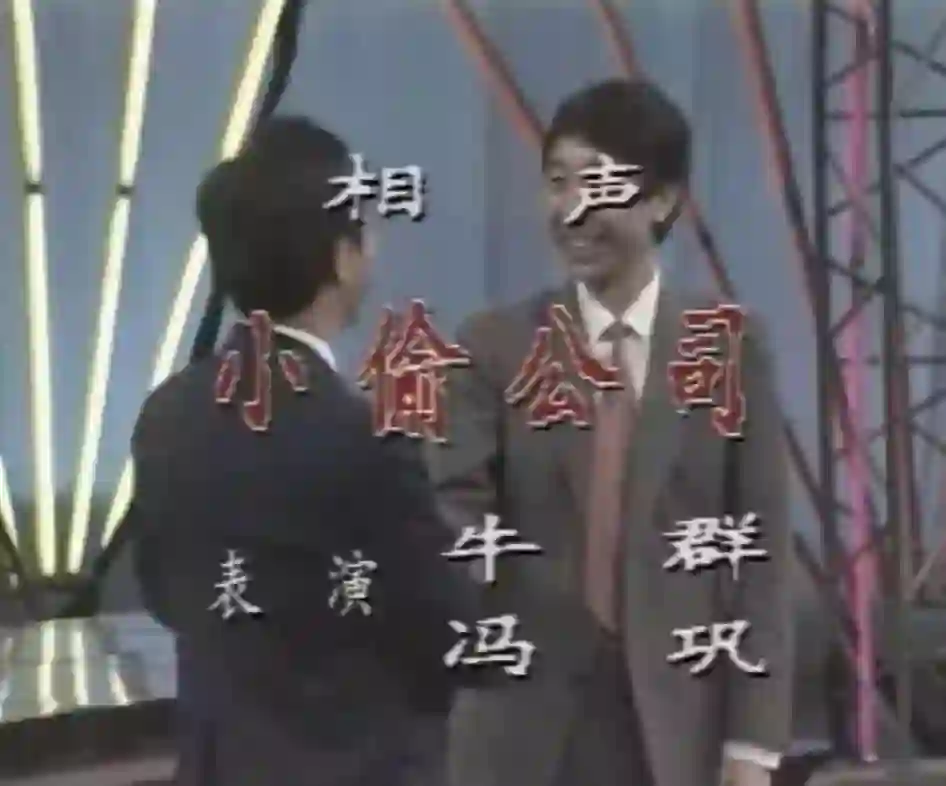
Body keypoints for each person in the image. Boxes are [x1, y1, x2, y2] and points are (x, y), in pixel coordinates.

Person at [428, 79, 793, 786]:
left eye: (599, 185)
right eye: (558, 183)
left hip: (675, 731)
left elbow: (761, 554)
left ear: (663, 201)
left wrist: (753, 744)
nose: (574, 210)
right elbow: (452, 517)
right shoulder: (492, 347)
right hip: (517, 730)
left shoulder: (728, 347)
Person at [130, 116, 484, 786]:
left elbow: (164, 590)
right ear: (342, 257)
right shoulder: (361, 437)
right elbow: (448, 630)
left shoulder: (166, 417)